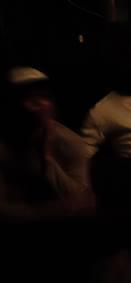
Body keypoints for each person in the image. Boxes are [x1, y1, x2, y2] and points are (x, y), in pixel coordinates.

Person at [0, 67, 93, 219]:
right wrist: (54, 210)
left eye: (43, 96)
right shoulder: (4, 146)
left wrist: (48, 160)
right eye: (27, 97)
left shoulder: (69, 142)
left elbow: (83, 202)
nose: (37, 104)